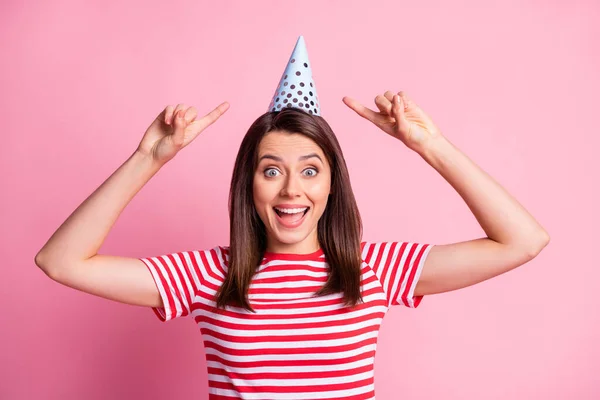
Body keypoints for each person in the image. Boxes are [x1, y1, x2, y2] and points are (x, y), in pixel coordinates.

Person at [35, 37, 549, 399]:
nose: (291, 190)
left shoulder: (374, 269)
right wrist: (149, 158)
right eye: (271, 170)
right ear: (248, 184)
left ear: (332, 183)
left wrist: (430, 146)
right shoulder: (209, 275)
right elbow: (60, 262)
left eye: (309, 170)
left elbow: (523, 240)